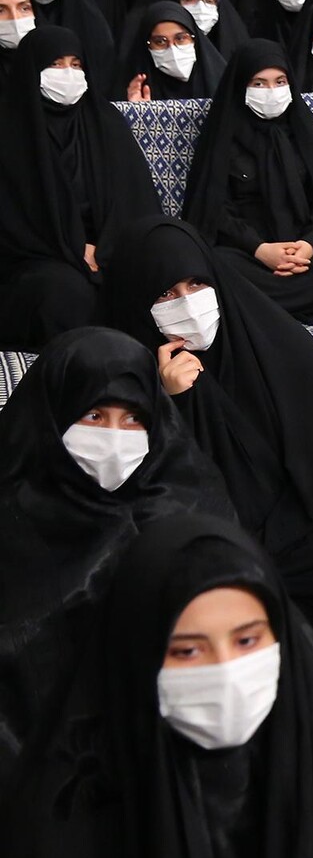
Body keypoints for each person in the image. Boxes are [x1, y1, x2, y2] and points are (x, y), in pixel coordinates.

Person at [0, 515, 313, 858]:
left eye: (247, 641)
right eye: (188, 650)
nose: (226, 672)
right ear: (138, 657)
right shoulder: (74, 796)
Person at [99, 215, 313, 668]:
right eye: (166, 294)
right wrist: (171, 404)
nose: (187, 304)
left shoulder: (274, 344)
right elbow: (140, 496)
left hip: (301, 526)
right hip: (208, 540)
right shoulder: (120, 376)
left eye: (197, 284)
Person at [0, 327, 233, 787]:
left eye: (133, 419)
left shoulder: (186, 506)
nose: (113, 438)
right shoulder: (13, 511)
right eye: (93, 415)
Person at [178, 41, 313, 322]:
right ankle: (300, 299)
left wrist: (309, 244)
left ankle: (268, 305)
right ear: (241, 86)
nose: (271, 91)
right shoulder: (223, 136)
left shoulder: (303, 132)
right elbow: (214, 212)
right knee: (213, 264)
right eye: (259, 83)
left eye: (280, 82)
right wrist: (261, 249)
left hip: (307, 254)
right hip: (252, 257)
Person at [0, 27, 161, 349]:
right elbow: (11, 225)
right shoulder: (10, 130)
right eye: (56, 64)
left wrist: (106, 249)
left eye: (76, 65)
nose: (68, 74)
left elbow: (135, 201)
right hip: (38, 258)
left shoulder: (105, 121)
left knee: (160, 270)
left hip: (109, 249)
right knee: (65, 292)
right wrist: (73, 248)